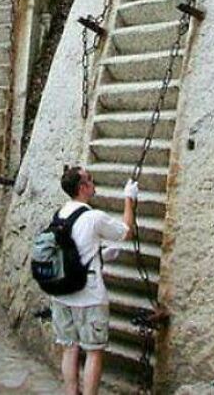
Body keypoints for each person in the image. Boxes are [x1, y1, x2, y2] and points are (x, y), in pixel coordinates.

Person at [51, 165, 139, 395]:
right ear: (82, 187)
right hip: (89, 296)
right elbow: (126, 231)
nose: (93, 183)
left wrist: (100, 254)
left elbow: (75, 250)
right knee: (93, 351)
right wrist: (129, 199)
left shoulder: (59, 215)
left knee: (69, 349)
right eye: (90, 180)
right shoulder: (93, 217)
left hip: (61, 294)